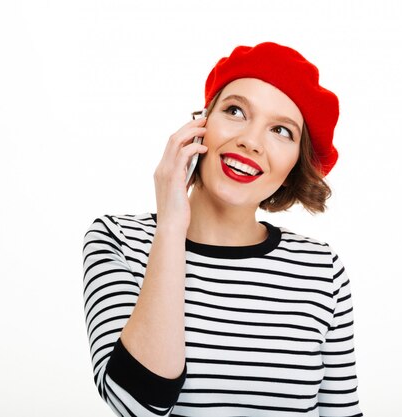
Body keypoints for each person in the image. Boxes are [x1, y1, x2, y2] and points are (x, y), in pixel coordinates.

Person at [82, 42, 362, 417]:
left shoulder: (321, 269)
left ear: (295, 164)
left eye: (281, 130)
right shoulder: (118, 241)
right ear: (201, 124)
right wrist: (169, 227)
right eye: (235, 110)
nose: (251, 141)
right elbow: (137, 406)